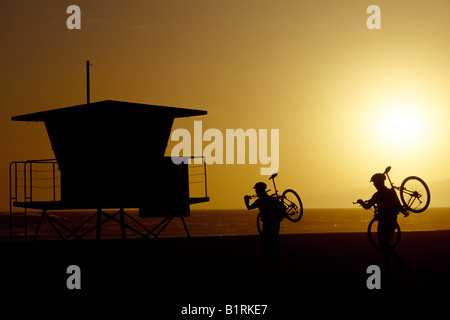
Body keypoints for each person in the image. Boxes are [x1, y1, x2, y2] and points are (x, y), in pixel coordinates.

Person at [356, 173, 407, 272]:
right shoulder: (391, 192)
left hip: (383, 222)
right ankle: (395, 262)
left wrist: (361, 202)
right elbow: (399, 205)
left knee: (384, 244)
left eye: (375, 183)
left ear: (379, 182)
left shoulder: (377, 195)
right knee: (385, 244)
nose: (374, 185)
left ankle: (393, 264)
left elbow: (367, 207)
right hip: (392, 222)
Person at [244, 182, 283, 271]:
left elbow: (249, 207)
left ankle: (273, 265)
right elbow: (282, 206)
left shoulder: (260, 201)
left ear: (259, 190)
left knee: (266, 244)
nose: (256, 192)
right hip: (276, 224)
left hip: (268, 225)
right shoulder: (271, 199)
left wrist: (246, 201)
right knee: (272, 244)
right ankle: (274, 264)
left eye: (257, 190)